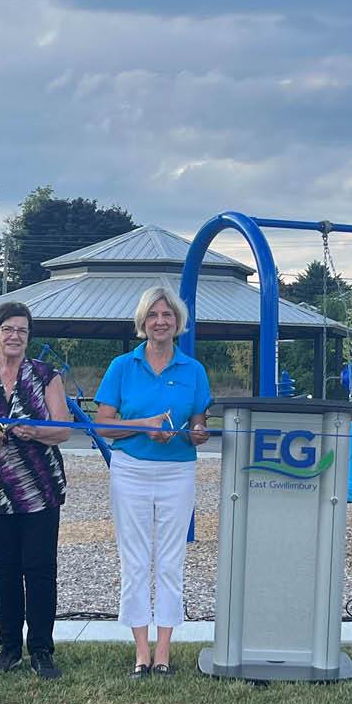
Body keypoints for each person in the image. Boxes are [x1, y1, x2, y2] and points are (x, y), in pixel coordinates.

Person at [94, 286, 212, 679]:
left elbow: (199, 420)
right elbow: (103, 425)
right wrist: (143, 427)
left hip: (178, 470)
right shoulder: (121, 366)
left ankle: (164, 652)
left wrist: (197, 431)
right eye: (153, 315)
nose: (161, 321)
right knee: (135, 559)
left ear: (178, 322)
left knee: (170, 560)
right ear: (142, 322)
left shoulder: (192, 370)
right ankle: (140, 652)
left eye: (168, 315)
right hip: (130, 469)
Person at [0, 303, 71, 680]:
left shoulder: (47, 376)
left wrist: (35, 431)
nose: (14, 336)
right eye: (8, 329)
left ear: (29, 337)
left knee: (39, 570)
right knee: (4, 570)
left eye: (21, 330)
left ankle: (41, 649)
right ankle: (8, 648)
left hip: (40, 488)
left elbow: (63, 430)